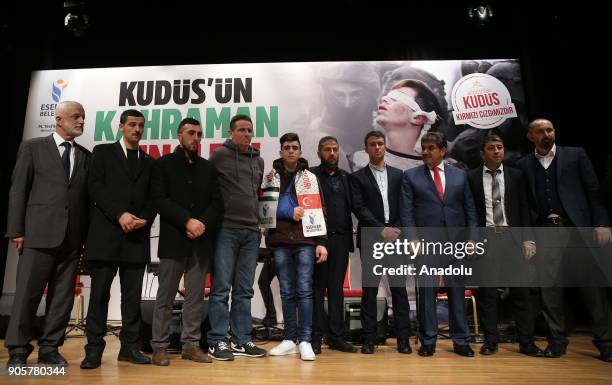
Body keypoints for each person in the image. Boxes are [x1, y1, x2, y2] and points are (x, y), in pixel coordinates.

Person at [517, 118, 612, 362]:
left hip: (577, 231)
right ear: (531, 137)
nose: (546, 134)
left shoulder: (575, 155)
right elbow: (526, 206)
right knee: (550, 292)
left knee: (593, 292)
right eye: (540, 131)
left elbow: (594, 192)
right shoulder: (524, 165)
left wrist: (601, 223)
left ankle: (606, 342)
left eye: (549, 130)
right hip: (546, 232)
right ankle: (557, 341)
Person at [5, 100, 91, 366]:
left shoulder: (86, 156)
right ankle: (18, 349)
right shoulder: (33, 148)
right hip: (37, 235)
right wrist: (17, 230)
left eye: (83, 117)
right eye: (76, 116)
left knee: (63, 297)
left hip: (72, 238)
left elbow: (84, 200)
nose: (81, 121)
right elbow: (19, 190)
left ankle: (50, 348)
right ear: (58, 119)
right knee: (27, 295)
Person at [80, 110, 156, 369]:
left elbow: (152, 197)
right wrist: (120, 214)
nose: (137, 129)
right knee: (99, 296)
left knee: (132, 298)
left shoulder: (149, 160)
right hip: (106, 236)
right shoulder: (102, 152)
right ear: (121, 126)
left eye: (141, 125)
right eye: (132, 124)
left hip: (136, 238)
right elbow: (95, 187)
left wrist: (144, 218)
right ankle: (93, 350)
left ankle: (129, 348)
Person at [150, 117, 223, 366]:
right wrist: (187, 221)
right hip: (174, 240)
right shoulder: (163, 165)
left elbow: (217, 204)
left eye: (199, 134)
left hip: (201, 241)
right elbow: (159, 199)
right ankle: (159, 346)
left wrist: (201, 223)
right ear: (179, 135)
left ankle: (191, 345)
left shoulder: (208, 168)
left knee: (195, 298)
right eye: (191, 133)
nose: (196, 138)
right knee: (166, 296)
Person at [399, 131, 477, 357]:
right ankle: (428, 340)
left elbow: (470, 209)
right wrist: (412, 238)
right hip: (425, 244)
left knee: (456, 293)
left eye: (431, 148)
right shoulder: (410, 176)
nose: (425, 152)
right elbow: (406, 213)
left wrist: (472, 239)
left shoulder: (460, 175)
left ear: (443, 150)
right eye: (423, 148)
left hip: (456, 244)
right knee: (426, 294)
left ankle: (461, 341)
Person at [466, 134, 544, 357]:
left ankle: (526, 343)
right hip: (487, 240)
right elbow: (469, 213)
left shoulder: (516, 176)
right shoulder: (471, 178)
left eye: (500, 147)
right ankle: (491, 341)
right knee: (488, 294)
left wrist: (528, 239)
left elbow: (525, 210)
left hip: (513, 239)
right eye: (491, 148)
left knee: (521, 294)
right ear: (483, 153)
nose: (497, 151)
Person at [207, 114, 267, 360]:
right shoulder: (220, 155)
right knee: (221, 288)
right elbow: (208, 187)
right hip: (226, 230)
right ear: (231, 133)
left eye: (249, 130)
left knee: (244, 290)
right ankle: (217, 341)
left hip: (251, 232)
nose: (246, 134)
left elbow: (256, 194)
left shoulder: (259, 160)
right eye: (241, 129)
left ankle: (242, 340)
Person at [263, 133, 328, 361]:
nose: (291, 151)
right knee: (287, 291)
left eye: (295, 147)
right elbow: (265, 211)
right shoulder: (270, 176)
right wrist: (287, 212)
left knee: (304, 291)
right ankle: (289, 339)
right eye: (287, 147)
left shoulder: (309, 176)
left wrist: (321, 242)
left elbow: (319, 211)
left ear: (300, 151)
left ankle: (306, 340)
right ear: (281, 151)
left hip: (305, 241)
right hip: (280, 242)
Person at [350, 131, 412, 355]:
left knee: (399, 290)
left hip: (396, 238)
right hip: (371, 239)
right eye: (372, 145)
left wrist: (394, 230)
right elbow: (359, 207)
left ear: (385, 147)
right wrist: (380, 230)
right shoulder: (357, 178)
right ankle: (369, 339)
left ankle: (403, 339)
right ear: (365, 149)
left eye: (380, 144)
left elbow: (404, 206)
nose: (377, 147)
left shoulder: (399, 175)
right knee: (369, 291)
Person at [309, 136, 357, 354]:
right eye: (327, 150)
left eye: (335, 150)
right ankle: (316, 337)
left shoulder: (347, 178)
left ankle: (336, 336)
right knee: (318, 289)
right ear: (319, 153)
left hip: (342, 239)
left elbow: (356, 207)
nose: (332, 154)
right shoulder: (310, 176)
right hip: (319, 241)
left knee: (336, 289)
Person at [352, 79, 440, 171]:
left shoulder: (436, 171)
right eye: (387, 96)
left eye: (396, 98)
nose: (384, 99)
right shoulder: (356, 160)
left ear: (418, 118)